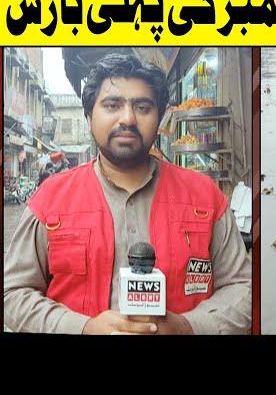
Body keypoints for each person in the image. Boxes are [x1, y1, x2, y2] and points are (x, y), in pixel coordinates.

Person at [4, 53, 251, 334]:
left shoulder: (206, 198)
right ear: (89, 117)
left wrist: (188, 326)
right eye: (112, 105)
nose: (128, 118)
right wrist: (82, 328)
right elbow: (12, 293)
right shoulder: (50, 200)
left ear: (159, 120)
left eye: (143, 107)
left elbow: (243, 289)